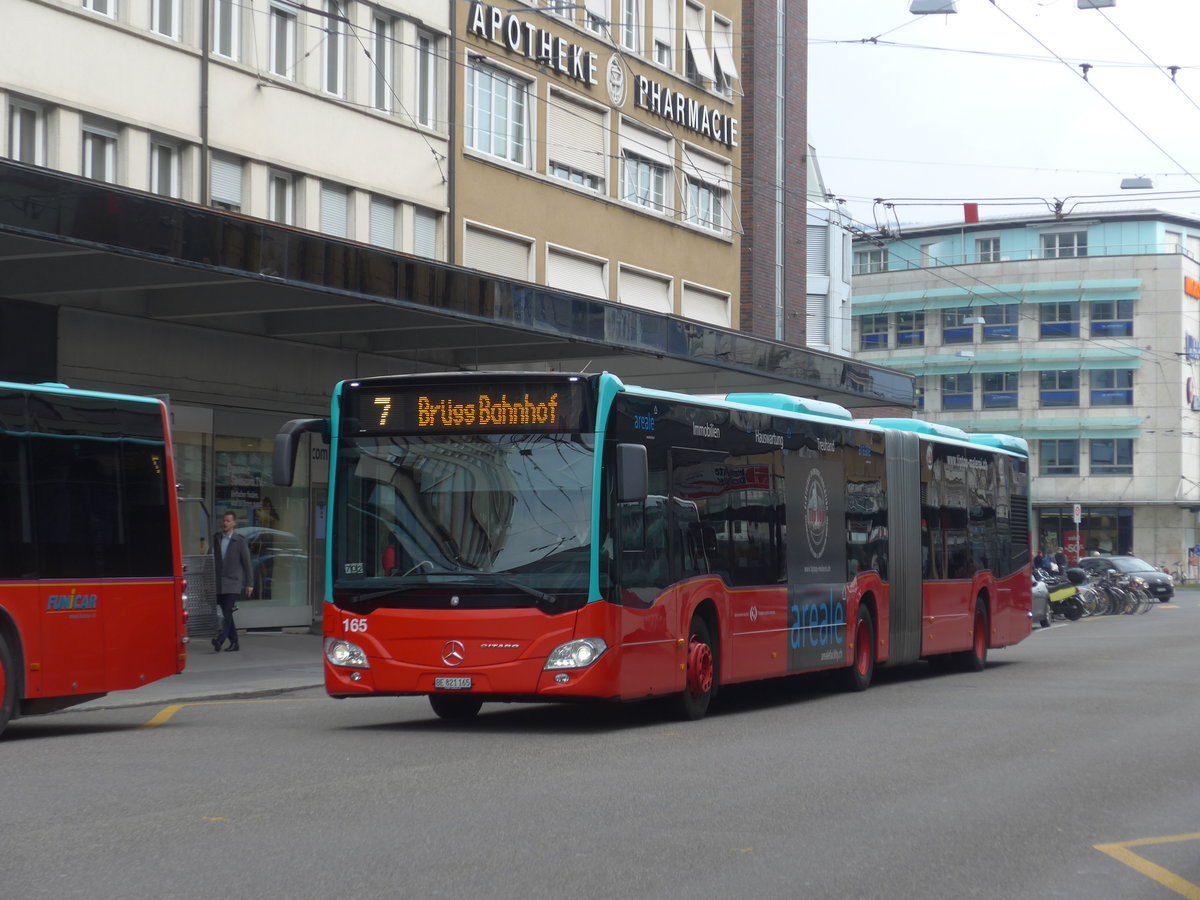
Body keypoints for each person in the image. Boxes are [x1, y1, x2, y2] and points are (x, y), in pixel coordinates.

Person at [212, 510, 253, 652]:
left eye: (228, 521)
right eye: (224, 520)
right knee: (227, 613)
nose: (225, 523)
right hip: (220, 583)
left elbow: (247, 563)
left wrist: (250, 583)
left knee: (228, 611)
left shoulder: (239, 541)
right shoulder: (217, 538)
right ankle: (235, 642)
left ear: (234, 523)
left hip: (233, 582)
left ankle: (220, 639)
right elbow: (210, 559)